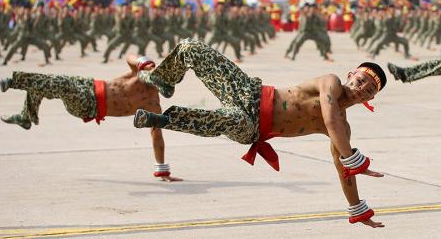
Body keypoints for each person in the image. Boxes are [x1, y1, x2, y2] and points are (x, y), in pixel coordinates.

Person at [134, 38, 387, 228]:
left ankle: (163, 119)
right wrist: (354, 160)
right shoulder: (330, 83)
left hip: (252, 127)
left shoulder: (344, 130)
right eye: (361, 80)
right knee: (192, 47)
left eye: (369, 90)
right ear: (350, 74)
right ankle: (164, 79)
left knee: (227, 119)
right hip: (249, 92)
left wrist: (357, 208)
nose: (361, 88)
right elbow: (330, 117)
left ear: (370, 99)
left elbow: (342, 170)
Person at [0, 55, 181, 182]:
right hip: (87, 84)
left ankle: (15, 82)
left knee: (57, 84)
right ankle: (26, 116)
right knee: (50, 82)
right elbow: (129, 56)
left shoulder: (152, 106)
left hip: (89, 105)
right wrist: (145, 62)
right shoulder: (139, 73)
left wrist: (162, 171)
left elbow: (157, 139)